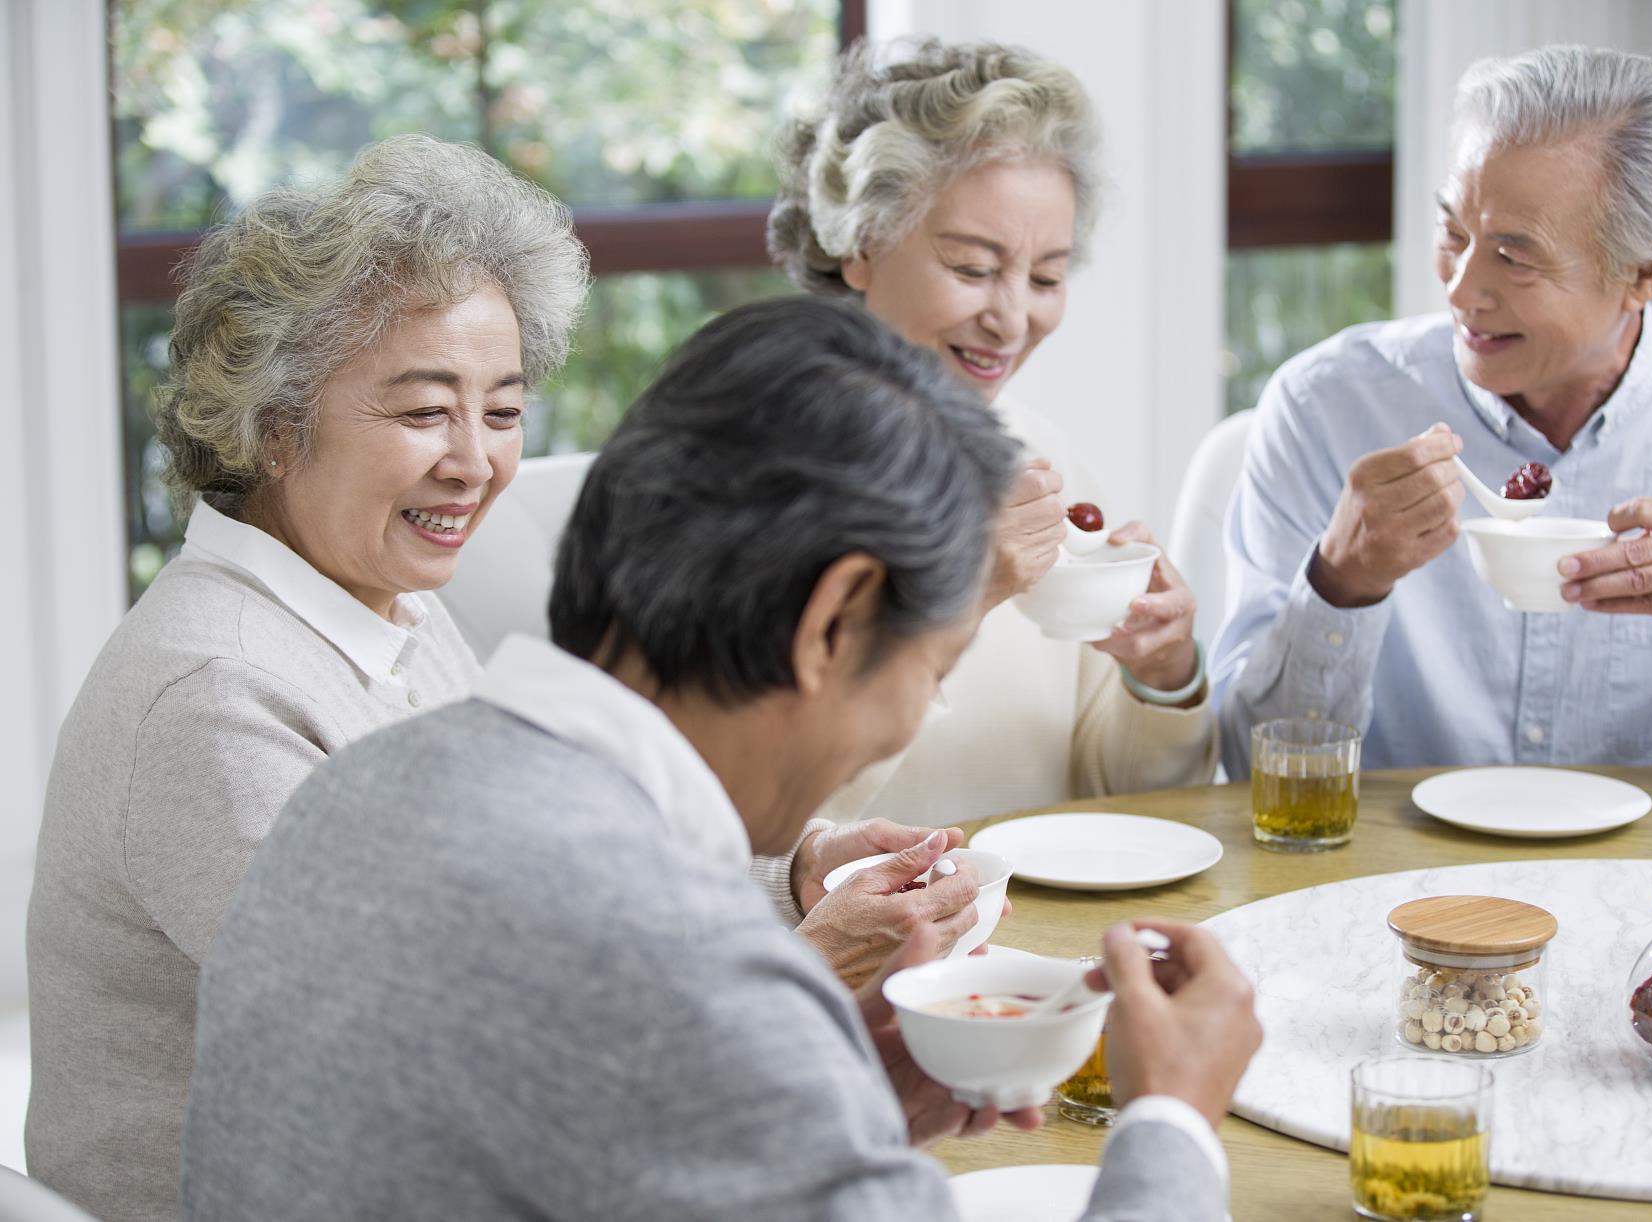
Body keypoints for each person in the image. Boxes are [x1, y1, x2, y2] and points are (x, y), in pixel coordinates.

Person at [27, 135, 964, 1222]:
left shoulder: (387, 602)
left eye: (504, 410)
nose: (474, 462)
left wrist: (788, 885)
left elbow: (523, 903)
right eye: (424, 411)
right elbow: (471, 1060)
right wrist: (801, 976)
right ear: (275, 430)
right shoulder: (210, 695)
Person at [179, 297, 1261, 1221]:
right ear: (831, 621)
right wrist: (1170, 1119)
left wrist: (834, 1107)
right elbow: (666, 1028)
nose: (906, 720)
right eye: (930, 673)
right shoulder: (687, 968)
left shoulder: (361, 789)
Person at [1212, 45, 1652, 780]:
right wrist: (1343, 581)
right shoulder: (1323, 408)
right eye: (1454, 234)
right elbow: (1248, 770)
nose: (1462, 291)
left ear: (1644, 274)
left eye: (1513, 258)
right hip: (1392, 883)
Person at [770, 39, 1218, 824]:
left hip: (1048, 930)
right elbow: (761, 818)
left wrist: (1162, 671)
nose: (1012, 319)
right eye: (973, 269)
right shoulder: (762, 471)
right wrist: (960, 601)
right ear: (862, 244)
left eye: (1046, 277)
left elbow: (1132, 806)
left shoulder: (1039, 452)